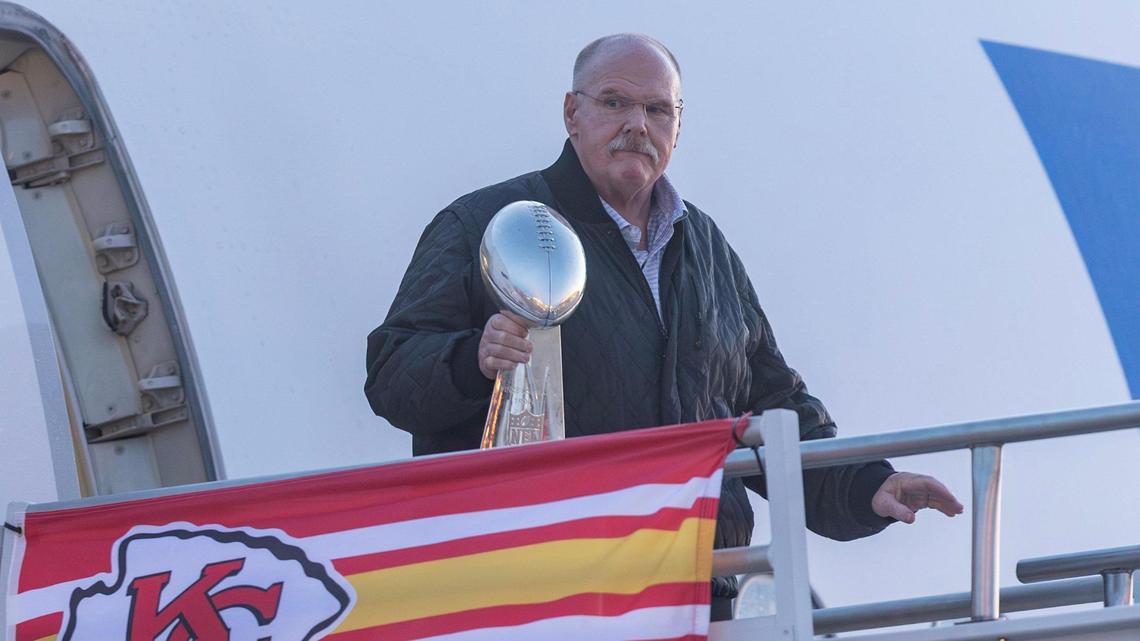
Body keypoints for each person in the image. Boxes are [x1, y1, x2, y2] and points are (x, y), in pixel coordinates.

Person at [365, 33, 963, 620]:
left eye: (657, 109)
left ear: (679, 126)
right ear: (572, 113)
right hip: (541, 594)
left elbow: (772, 403)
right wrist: (473, 360)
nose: (637, 125)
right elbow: (392, 371)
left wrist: (867, 485)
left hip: (698, 593)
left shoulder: (707, 248)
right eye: (615, 102)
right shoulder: (484, 222)